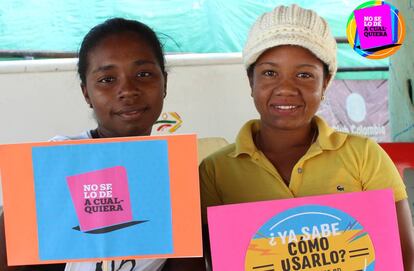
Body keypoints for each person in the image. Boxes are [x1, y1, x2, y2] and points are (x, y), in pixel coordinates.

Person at [198, 4, 414, 271]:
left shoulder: (364, 156)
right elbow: (218, 261)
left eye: (304, 75)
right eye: (269, 73)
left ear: (325, 83)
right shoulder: (215, 170)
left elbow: (403, 258)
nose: (286, 88)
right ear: (250, 81)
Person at [0, 17, 174, 271]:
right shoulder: (55, 161)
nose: (128, 90)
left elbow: (185, 261)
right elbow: (8, 258)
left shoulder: (173, 172)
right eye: (107, 79)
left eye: (143, 74)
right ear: (86, 93)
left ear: (164, 84)